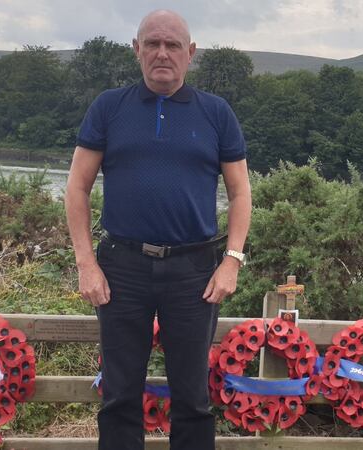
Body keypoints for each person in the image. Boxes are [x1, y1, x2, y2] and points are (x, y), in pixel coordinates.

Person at [65, 9, 251, 450]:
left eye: (172, 45)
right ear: (137, 49)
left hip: (194, 272)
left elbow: (240, 192)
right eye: (152, 44)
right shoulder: (109, 107)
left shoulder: (216, 113)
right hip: (121, 269)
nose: (162, 53)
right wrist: (86, 263)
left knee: (193, 396)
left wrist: (232, 260)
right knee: (119, 395)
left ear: (190, 53)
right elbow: (77, 187)